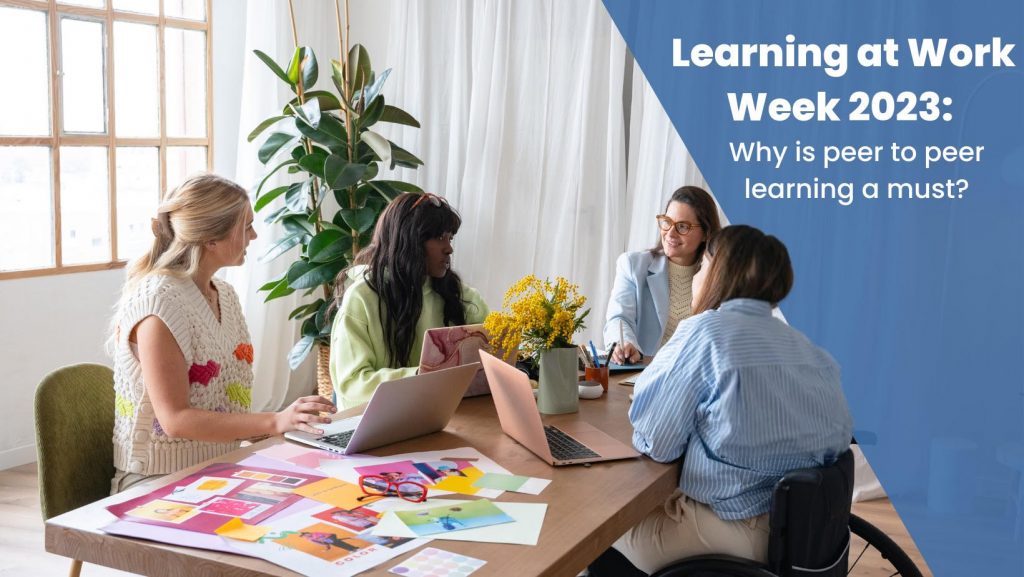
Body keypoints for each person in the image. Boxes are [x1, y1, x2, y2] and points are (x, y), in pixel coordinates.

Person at [592, 225, 853, 575]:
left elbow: (657, 444)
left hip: (730, 532)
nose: (696, 277)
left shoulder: (706, 332)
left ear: (718, 272)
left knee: (594, 523)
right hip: (806, 531)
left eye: (701, 268)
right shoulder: (809, 350)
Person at [107, 174, 335, 494]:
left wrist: (288, 426)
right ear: (211, 239)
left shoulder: (223, 294)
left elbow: (226, 404)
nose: (253, 235)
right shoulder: (157, 304)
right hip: (156, 480)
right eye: (246, 227)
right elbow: (176, 420)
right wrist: (274, 421)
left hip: (221, 466)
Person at [329, 192, 489, 408]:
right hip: (377, 425)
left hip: (443, 417)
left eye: (450, 238)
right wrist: (423, 377)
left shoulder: (462, 296)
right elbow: (352, 385)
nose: (449, 248)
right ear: (410, 240)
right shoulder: (362, 298)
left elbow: (494, 355)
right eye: (439, 237)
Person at [604, 186, 722, 365]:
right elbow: (619, 318)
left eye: (682, 226)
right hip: (640, 372)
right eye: (667, 222)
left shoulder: (716, 279)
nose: (670, 233)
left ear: (706, 233)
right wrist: (625, 343)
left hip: (693, 378)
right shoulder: (633, 265)